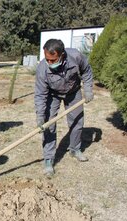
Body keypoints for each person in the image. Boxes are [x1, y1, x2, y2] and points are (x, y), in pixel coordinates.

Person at [35, 39, 94, 177]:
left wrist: (88, 89)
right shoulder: (42, 69)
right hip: (52, 94)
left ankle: (75, 149)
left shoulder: (76, 56)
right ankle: (49, 159)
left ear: (62, 55)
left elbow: (86, 71)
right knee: (49, 125)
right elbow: (40, 94)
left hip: (73, 92)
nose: (49, 63)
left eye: (52, 60)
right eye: (47, 59)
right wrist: (40, 115)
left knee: (77, 122)